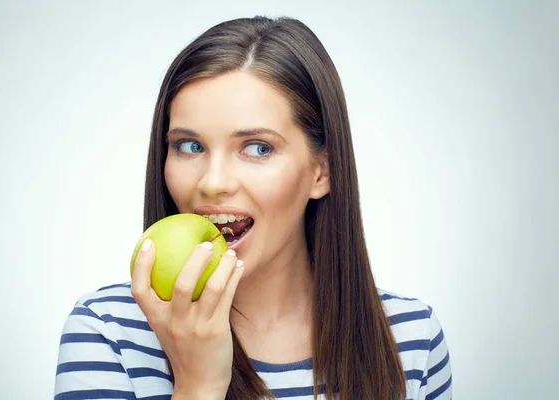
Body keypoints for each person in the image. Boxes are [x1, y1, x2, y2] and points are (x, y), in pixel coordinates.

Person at [54, 16, 452, 400]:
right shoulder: (107, 331)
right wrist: (198, 388)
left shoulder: (411, 340)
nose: (212, 182)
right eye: (189, 146)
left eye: (258, 148)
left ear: (321, 172)